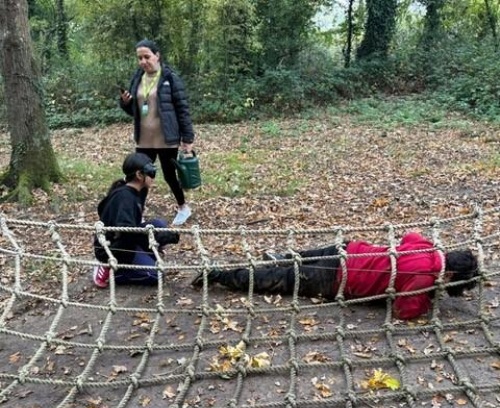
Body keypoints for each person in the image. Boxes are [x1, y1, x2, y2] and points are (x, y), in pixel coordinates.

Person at [191, 233, 479, 320]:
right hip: (337, 278)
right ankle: (219, 275)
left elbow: (409, 237)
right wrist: (428, 296)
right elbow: (405, 311)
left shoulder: (428, 247)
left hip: (349, 249)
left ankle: (281, 256)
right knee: (280, 280)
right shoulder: (425, 278)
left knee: (301, 258)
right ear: (450, 274)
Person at [119, 39, 195, 226]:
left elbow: (182, 109)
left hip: (166, 138)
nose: (143, 61)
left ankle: (183, 208)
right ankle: (137, 212)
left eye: (147, 57)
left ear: (157, 56)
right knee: (140, 176)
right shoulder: (137, 78)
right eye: (140, 58)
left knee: (170, 175)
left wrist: (187, 138)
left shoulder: (170, 78)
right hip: (144, 139)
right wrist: (125, 103)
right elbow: (134, 110)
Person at [93, 152, 180, 288]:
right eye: (151, 172)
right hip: (113, 248)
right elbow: (126, 232)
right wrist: (157, 236)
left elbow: (134, 226)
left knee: (159, 225)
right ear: (139, 175)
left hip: (127, 241)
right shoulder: (125, 197)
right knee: (156, 275)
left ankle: (141, 257)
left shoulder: (137, 191)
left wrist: (158, 235)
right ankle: (111, 270)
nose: (153, 176)